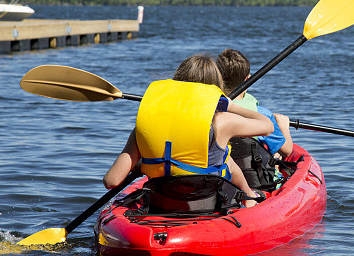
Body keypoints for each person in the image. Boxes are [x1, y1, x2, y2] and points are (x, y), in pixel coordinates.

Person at [103, 53, 274, 208]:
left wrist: (142, 164)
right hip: (209, 205)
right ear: (215, 87)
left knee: (226, 158)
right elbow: (268, 126)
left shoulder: (144, 127)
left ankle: (249, 196)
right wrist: (231, 106)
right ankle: (249, 197)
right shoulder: (222, 122)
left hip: (161, 205)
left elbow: (112, 180)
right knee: (224, 158)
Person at [216, 48, 294, 188]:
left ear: (217, 78)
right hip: (257, 182)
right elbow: (287, 150)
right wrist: (284, 128)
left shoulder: (208, 111)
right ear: (248, 79)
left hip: (222, 181)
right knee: (278, 155)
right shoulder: (262, 115)